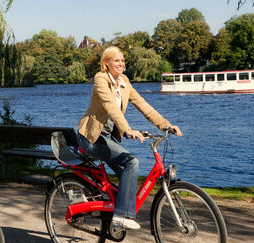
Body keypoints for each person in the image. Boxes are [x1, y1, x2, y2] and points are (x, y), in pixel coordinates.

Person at [77, 46, 181, 231]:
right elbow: (111, 107)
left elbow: (143, 105)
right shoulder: (100, 79)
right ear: (106, 63)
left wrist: (165, 125)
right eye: (116, 60)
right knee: (131, 163)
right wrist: (127, 130)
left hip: (107, 137)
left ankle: (115, 211)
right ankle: (121, 216)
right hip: (91, 137)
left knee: (127, 171)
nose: (121, 64)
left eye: (123, 60)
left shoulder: (124, 82)